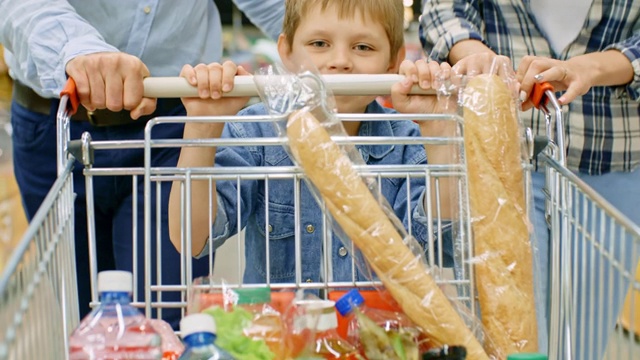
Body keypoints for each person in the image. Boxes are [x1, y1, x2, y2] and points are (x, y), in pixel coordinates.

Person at [0, 0, 285, 326]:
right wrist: (79, 50)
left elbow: (281, 8)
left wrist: (335, 54)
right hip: (57, 121)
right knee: (86, 323)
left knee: (166, 322)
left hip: (174, 126)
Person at [168, 0, 455, 285]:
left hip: (378, 330)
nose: (340, 61)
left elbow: (445, 248)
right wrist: (202, 126)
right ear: (286, 53)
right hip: (282, 328)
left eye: (363, 47)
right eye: (319, 43)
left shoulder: (407, 141)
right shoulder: (257, 132)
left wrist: (440, 132)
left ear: (393, 61)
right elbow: (192, 239)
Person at [420, 0, 640, 357]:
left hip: (611, 157)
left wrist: (592, 66)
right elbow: (444, 8)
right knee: (508, 340)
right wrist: (482, 60)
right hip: (497, 158)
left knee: (580, 344)